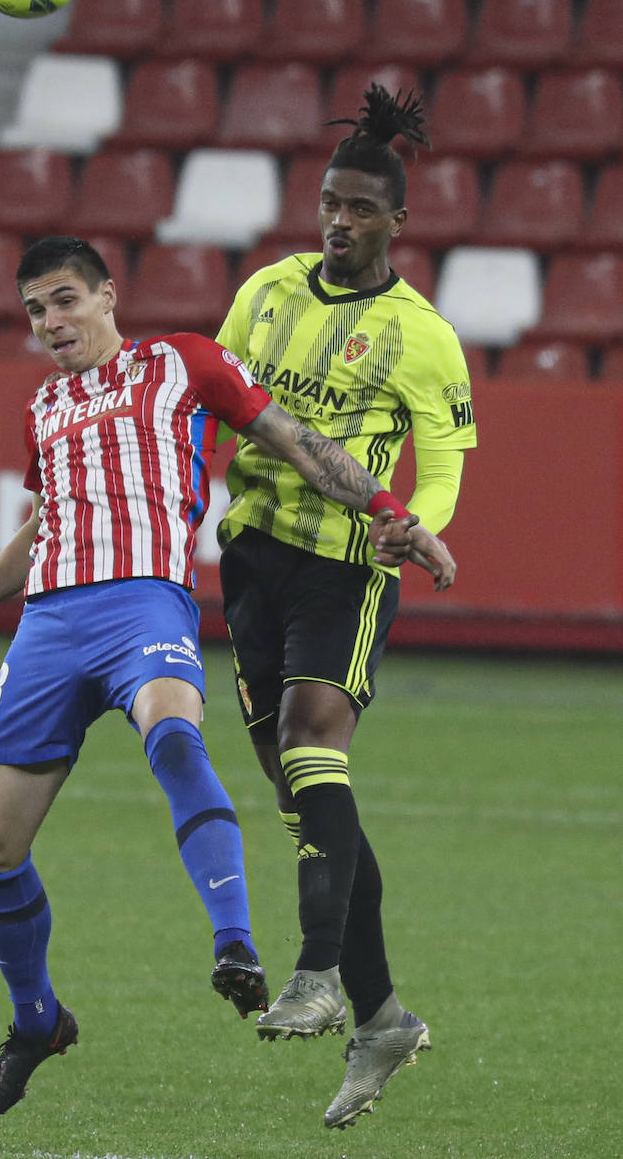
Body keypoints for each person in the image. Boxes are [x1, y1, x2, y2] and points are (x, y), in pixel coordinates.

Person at [0, 233, 454, 1123]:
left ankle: (237, 947)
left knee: (174, 729)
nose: (50, 322)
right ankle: (36, 1023)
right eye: (33, 312)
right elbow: (48, 516)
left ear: (106, 295)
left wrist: (389, 510)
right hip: (51, 622)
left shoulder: (183, 363)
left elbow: (295, 440)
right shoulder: (44, 410)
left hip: (144, 605)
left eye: (64, 300)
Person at [215, 84, 477, 1130]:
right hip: (252, 561)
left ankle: (318, 976)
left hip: (344, 568)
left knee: (310, 746)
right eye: (330, 202)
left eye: (362, 208)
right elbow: (219, 400)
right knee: (301, 791)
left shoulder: (421, 335)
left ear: (395, 223)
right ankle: (382, 1018)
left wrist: (411, 523)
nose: (339, 221)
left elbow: (447, 460)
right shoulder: (264, 292)